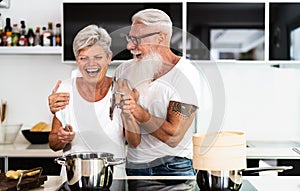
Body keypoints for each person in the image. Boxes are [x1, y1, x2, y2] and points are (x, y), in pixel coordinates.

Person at [47, 24, 139, 190]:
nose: (91, 64)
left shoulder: (122, 89)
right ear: (77, 60)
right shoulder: (65, 90)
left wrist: (129, 114)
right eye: (83, 58)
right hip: (72, 181)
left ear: (108, 57)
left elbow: (134, 142)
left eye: (97, 57)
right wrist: (61, 138)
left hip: (112, 180)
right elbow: (53, 144)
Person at [114, 8, 201, 179]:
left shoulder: (186, 74)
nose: (129, 46)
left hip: (174, 167)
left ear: (161, 37)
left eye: (136, 39)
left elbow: (173, 136)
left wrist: (135, 109)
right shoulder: (123, 71)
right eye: (129, 38)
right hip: (135, 166)